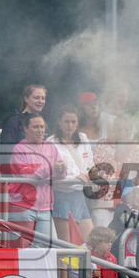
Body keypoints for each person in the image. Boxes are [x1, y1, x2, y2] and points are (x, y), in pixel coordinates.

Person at [9, 112, 66, 246]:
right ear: (26, 129)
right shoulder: (19, 149)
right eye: (35, 127)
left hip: (45, 207)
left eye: (42, 127)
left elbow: (59, 176)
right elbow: (27, 176)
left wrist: (61, 170)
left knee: (47, 248)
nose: (40, 130)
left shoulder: (50, 147)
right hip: (22, 206)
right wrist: (51, 169)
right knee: (21, 248)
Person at [47, 104, 95, 244]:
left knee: (90, 242)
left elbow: (90, 163)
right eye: (66, 121)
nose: (70, 125)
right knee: (66, 243)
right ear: (59, 123)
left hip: (79, 195)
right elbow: (51, 172)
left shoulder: (83, 138)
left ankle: (87, 266)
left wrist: (89, 175)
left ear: (77, 123)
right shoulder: (51, 142)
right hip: (62, 195)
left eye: (73, 121)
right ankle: (64, 267)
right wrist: (74, 178)